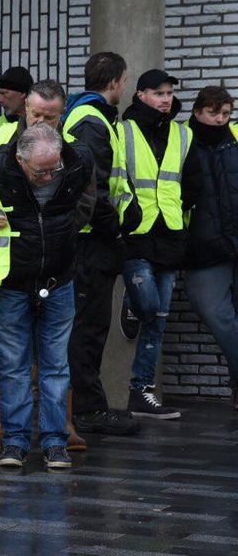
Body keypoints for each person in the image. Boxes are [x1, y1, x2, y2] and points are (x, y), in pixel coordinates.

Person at [0, 123, 94, 470]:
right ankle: (15, 441)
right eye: (41, 171)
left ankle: (56, 442)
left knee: (56, 364)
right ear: (20, 159)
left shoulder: (78, 159)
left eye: (55, 168)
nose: (49, 176)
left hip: (59, 277)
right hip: (11, 280)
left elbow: (86, 196)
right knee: (13, 364)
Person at [64, 52, 141, 437]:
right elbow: (93, 187)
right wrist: (114, 229)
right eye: (124, 81)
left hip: (95, 240)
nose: (124, 87)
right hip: (93, 242)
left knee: (89, 325)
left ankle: (84, 407)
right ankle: (88, 410)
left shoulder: (90, 117)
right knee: (89, 327)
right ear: (114, 82)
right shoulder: (92, 121)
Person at [119, 69, 202, 420]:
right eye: (158, 93)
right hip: (136, 231)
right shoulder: (122, 131)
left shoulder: (183, 134)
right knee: (149, 305)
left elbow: (193, 180)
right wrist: (129, 211)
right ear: (141, 95)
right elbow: (115, 177)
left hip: (170, 232)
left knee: (160, 319)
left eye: (169, 93)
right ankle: (132, 302)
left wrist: (183, 210)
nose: (166, 99)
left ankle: (141, 390)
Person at [184, 86, 238, 412]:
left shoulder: (234, 141)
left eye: (226, 114)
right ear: (198, 111)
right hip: (202, 248)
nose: (220, 120)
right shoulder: (183, 142)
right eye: (213, 113)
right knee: (219, 317)